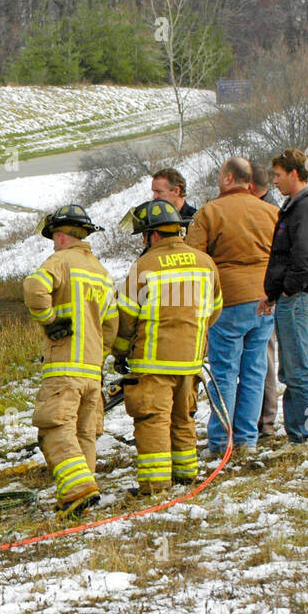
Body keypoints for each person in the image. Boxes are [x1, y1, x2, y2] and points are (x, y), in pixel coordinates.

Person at [113, 200, 223, 495]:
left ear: (153, 235)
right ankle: (187, 474)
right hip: (190, 361)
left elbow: (125, 319)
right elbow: (214, 310)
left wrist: (120, 353)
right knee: (182, 417)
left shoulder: (144, 266)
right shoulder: (204, 262)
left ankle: (155, 485)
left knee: (153, 420)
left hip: (152, 363)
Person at [23, 205, 117, 517]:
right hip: (92, 371)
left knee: (55, 428)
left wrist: (49, 320)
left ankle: (78, 490)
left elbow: (34, 287)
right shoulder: (102, 273)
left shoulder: (60, 261)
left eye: (53, 238)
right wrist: (98, 354)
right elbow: (112, 326)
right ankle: (81, 495)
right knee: (84, 434)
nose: (53, 243)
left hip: (64, 367)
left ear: (62, 237)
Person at [185, 157, 277, 457]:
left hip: (227, 302)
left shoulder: (208, 213)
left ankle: (219, 442)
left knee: (224, 373)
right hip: (264, 301)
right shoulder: (271, 212)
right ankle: (246, 440)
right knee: (254, 371)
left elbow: (194, 260)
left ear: (227, 178)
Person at [259, 148, 308, 448]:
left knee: (299, 371)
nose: (274, 181)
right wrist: (274, 294)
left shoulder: (306, 208)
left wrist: (288, 288)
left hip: (299, 299)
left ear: (294, 173)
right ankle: (298, 436)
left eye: (277, 175)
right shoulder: (293, 207)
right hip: (289, 298)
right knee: (289, 371)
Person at [250, 164, 282, 438]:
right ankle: (262, 420)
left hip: (264, 295)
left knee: (265, 359)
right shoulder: (275, 210)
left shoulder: (270, 213)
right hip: (264, 293)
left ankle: (265, 421)